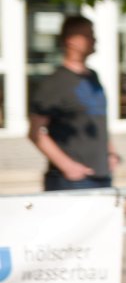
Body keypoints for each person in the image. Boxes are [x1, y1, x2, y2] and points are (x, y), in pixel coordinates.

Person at [29, 15, 119, 191]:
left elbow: (97, 121)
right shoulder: (54, 83)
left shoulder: (92, 77)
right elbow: (35, 132)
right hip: (71, 181)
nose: (94, 40)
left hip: (102, 176)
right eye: (88, 35)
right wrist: (67, 166)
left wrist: (111, 153)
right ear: (71, 40)